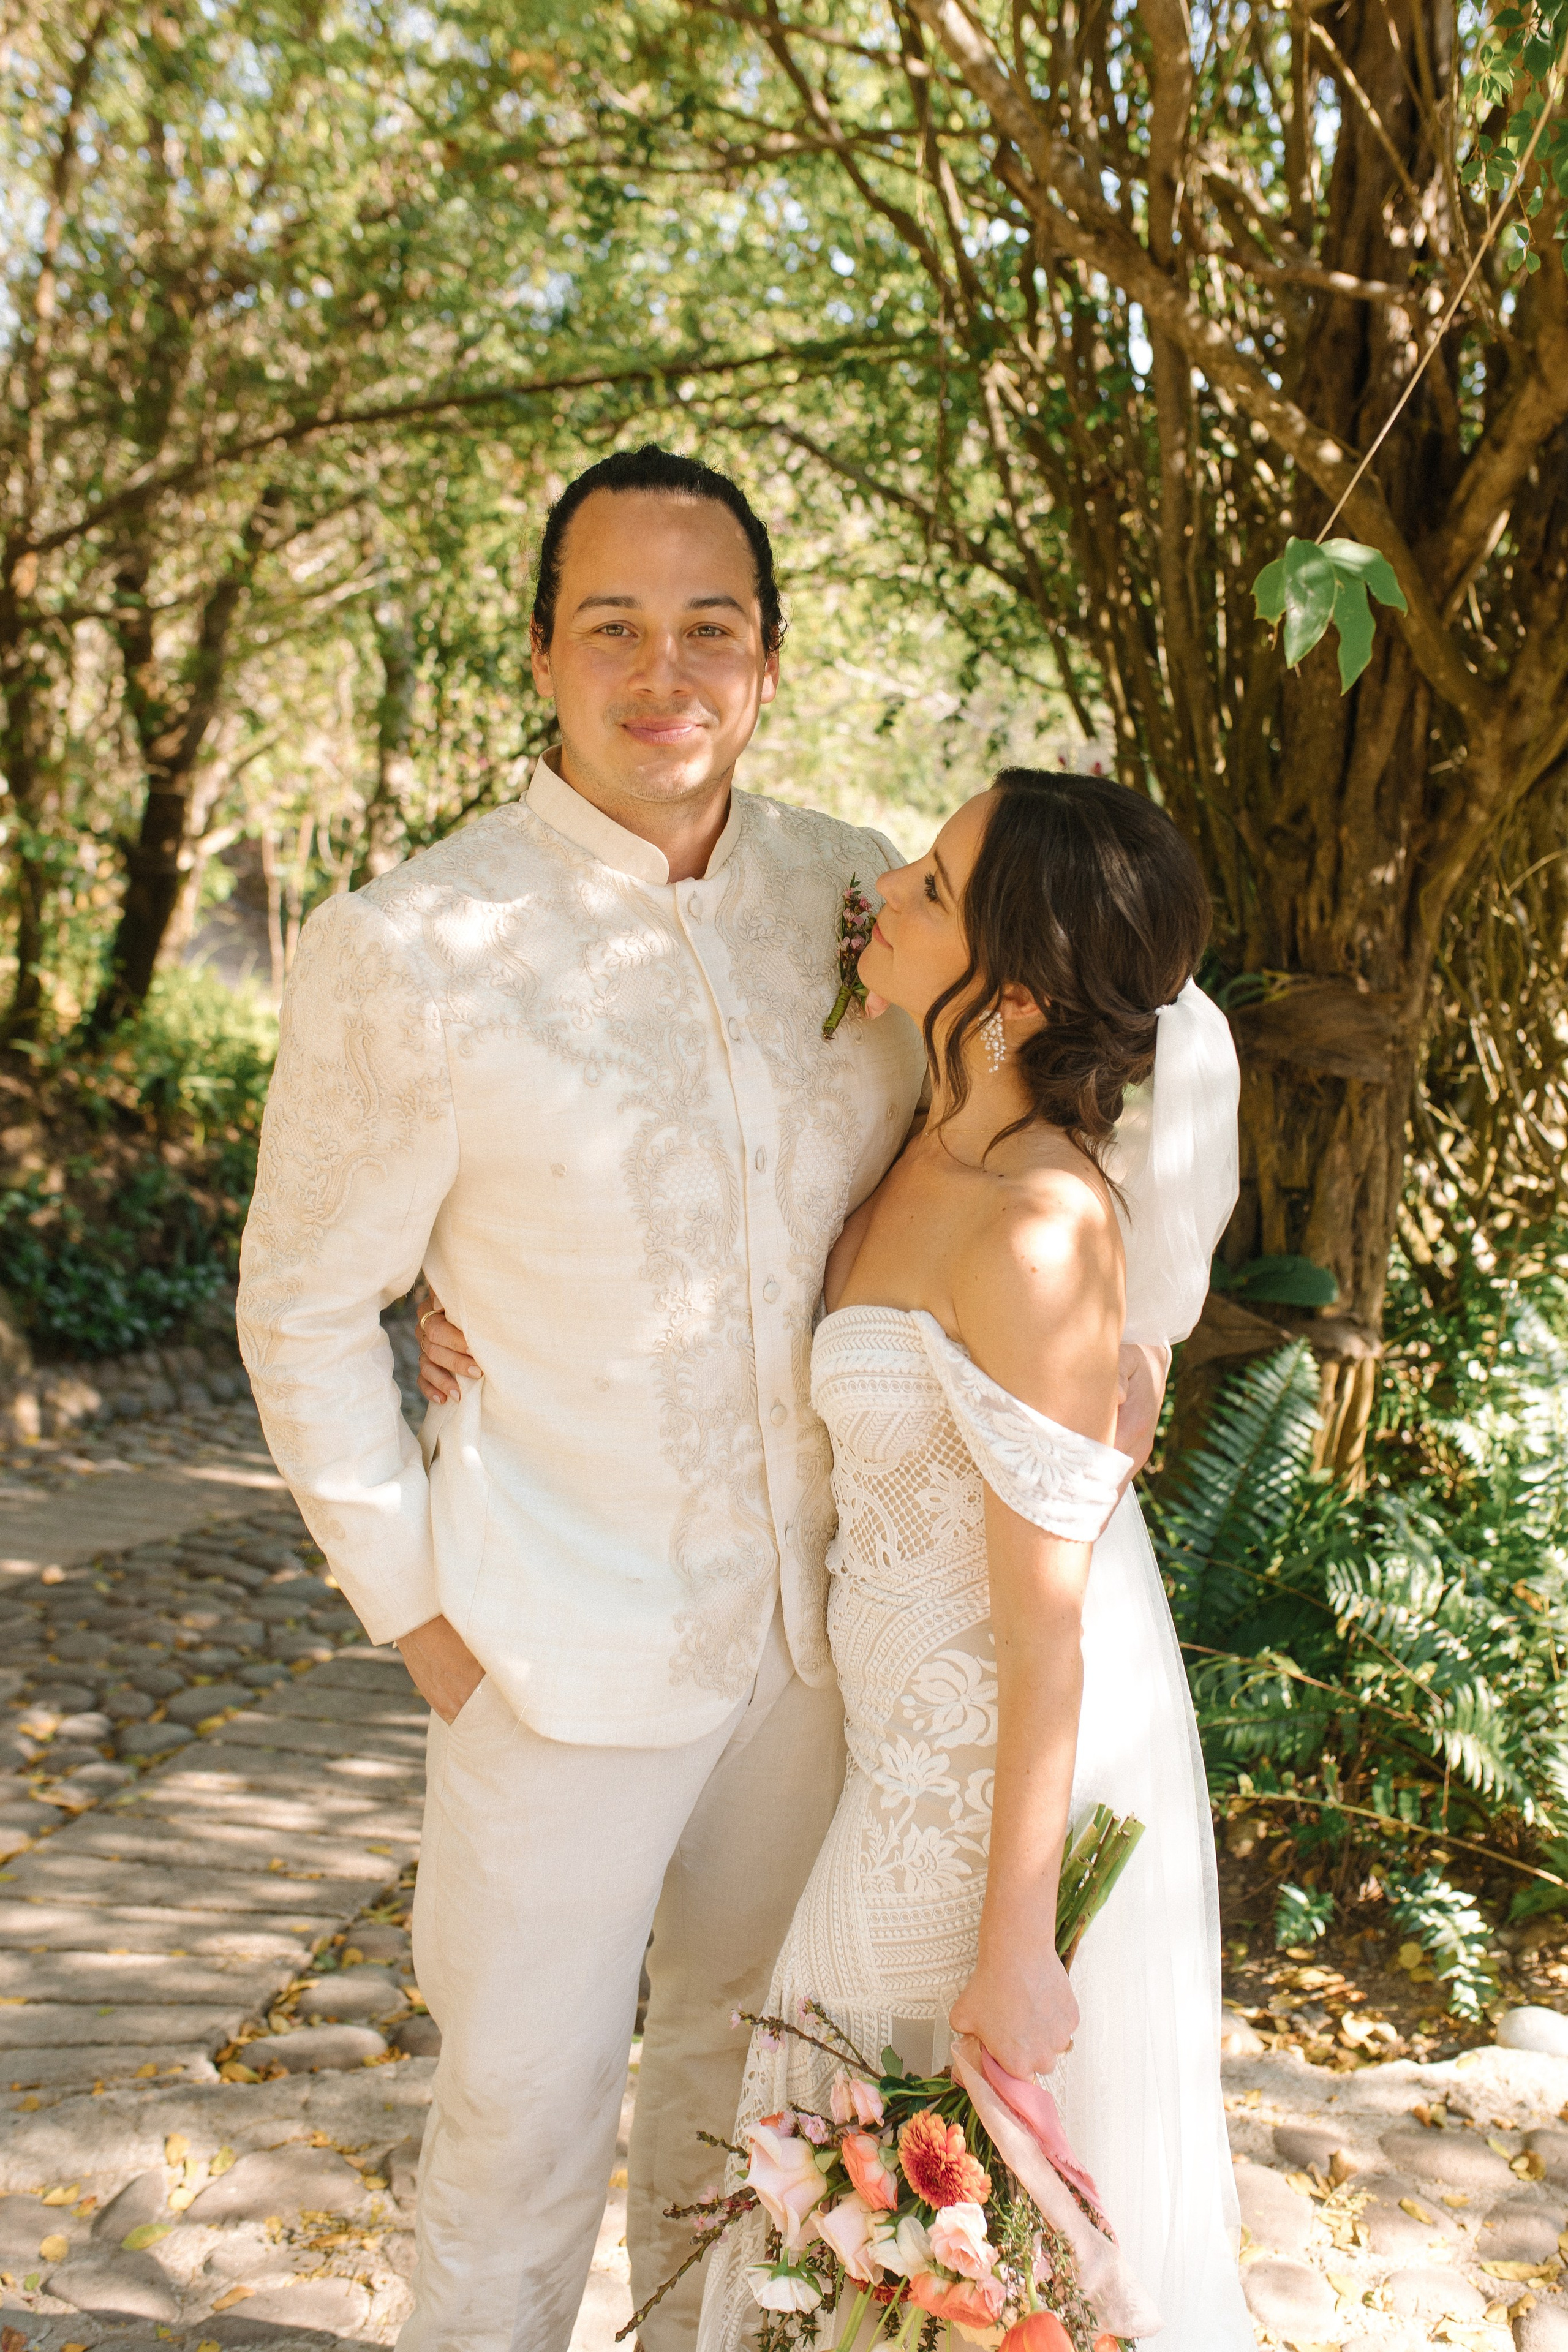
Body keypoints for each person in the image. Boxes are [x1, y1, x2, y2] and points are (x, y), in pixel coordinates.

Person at [237, 445, 1171, 2352]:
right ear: (539, 655)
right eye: (614, 627)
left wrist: (1127, 1331)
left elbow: (1049, 1102)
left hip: (823, 1670)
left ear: (769, 661)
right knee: (514, 2132)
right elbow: (302, 1303)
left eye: (710, 628)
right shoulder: (408, 952)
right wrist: (417, 1614)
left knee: (747, 2127)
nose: (664, 672)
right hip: (542, 1650)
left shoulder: (862, 898)